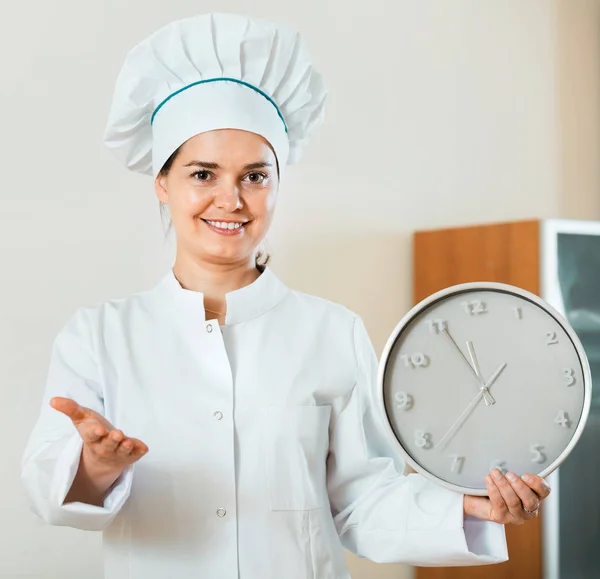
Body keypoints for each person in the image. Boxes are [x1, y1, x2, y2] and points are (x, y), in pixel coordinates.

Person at [21, 12, 550, 579]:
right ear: (162, 182)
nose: (231, 199)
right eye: (203, 174)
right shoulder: (100, 335)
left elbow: (363, 500)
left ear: (277, 183)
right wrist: (96, 466)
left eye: (255, 175)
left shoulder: (331, 330)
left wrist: (470, 511)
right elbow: (48, 488)